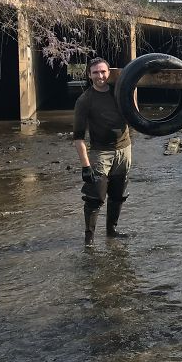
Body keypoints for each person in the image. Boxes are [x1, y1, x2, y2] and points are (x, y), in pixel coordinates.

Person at [73, 57, 131, 246]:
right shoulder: (85, 100)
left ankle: (111, 232)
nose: (100, 76)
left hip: (124, 150)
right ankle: (89, 239)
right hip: (101, 153)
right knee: (95, 196)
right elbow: (78, 136)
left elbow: (134, 112)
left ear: (109, 73)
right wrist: (85, 166)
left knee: (117, 194)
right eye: (96, 72)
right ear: (89, 75)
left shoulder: (119, 93)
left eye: (103, 71)